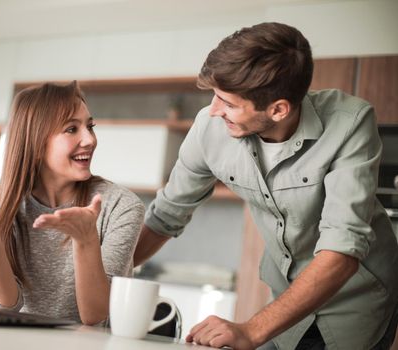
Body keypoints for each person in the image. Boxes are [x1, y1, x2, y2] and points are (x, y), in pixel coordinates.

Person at [134, 22, 398, 349]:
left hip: (356, 299)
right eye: (214, 97)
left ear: (278, 110)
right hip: (285, 296)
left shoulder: (350, 123)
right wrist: (102, 279)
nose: (214, 111)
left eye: (228, 103)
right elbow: (165, 216)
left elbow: (342, 251)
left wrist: (251, 330)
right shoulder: (210, 128)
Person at [0, 81, 144, 325]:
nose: (90, 139)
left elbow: (97, 316)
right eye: (71, 129)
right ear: (36, 143)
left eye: (90, 126)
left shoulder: (121, 206)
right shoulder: (9, 209)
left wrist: (86, 238)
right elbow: (7, 304)